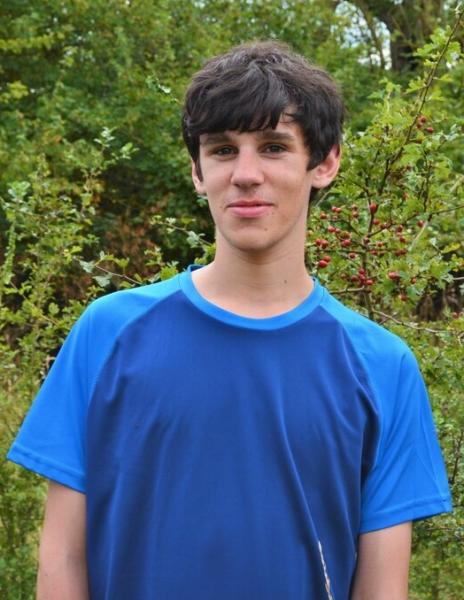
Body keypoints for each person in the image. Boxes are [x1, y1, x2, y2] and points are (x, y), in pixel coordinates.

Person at [8, 41, 451, 600]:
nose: (245, 174)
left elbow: (382, 589)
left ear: (325, 163)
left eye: (272, 147)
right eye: (222, 150)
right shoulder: (108, 332)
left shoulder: (382, 367)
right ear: (196, 171)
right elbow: (63, 560)